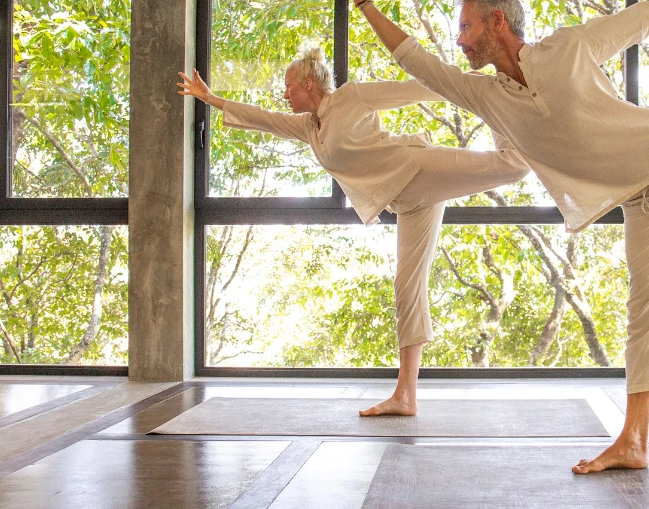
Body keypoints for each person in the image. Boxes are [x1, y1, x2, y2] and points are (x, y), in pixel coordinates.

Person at [329, 0, 649, 472]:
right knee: (644, 312)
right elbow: (415, 60)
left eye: (466, 27)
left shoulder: (566, 48)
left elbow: (636, 22)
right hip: (645, 200)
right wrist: (364, 2)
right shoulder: (486, 95)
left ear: (498, 21)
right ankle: (634, 442)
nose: (459, 41)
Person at [176, 48, 531, 417]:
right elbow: (263, 119)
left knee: (515, 165)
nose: (285, 94)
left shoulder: (352, 97)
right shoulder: (309, 127)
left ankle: (499, 97)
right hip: (407, 202)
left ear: (308, 84)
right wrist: (210, 99)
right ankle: (405, 396)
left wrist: (478, 87)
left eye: (288, 86)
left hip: (418, 168)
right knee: (406, 289)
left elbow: (415, 89)